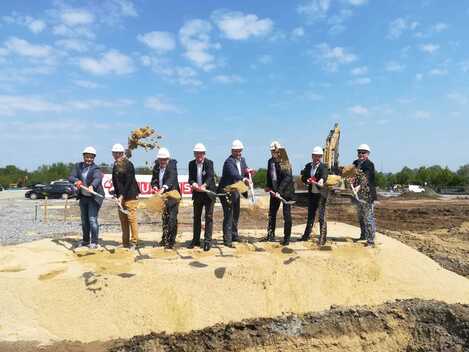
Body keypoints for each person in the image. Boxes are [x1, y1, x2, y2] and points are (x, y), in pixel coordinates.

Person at [217, 139, 254, 247]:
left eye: (239, 151)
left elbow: (245, 171)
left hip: (236, 191)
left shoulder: (242, 160)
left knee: (236, 213)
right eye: (236, 151)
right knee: (228, 214)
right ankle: (227, 239)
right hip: (226, 191)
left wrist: (250, 173)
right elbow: (235, 174)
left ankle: (234, 235)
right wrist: (244, 179)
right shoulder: (228, 162)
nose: (238, 153)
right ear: (232, 151)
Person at [69, 146, 105, 249]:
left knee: (92, 219)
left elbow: (98, 178)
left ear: (94, 158)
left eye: (91, 157)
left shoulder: (96, 168)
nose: (89, 159)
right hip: (83, 197)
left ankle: (94, 242)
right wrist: (76, 181)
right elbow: (71, 177)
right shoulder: (78, 166)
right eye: (87, 157)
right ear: (83, 156)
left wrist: (92, 186)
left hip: (94, 198)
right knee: (84, 220)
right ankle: (85, 240)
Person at [264, 141, 295, 245]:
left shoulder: (284, 160)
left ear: (279, 150)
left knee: (287, 215)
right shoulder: (270, 161)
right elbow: (269, 175)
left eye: (275, 151)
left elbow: (288, 177)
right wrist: (268, 186)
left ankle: (286, 239)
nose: (273, 153)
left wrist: (279, 191)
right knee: (272, 214)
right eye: (272, 151)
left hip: (286, 192)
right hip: (274, 192)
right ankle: (270, 235)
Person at [111, 143, 140, 250]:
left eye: (119, 153)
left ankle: (134, 242)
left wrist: (122, 196)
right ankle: (125, 242)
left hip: (130, 196)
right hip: (121, 197)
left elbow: (128, 182)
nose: (117, 155)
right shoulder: (115, 165)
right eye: (115, 153)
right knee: (123, 220)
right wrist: (115, 193)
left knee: (131, 219)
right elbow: (117, 182)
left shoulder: (128, 164)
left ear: (123, 153)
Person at [188, 143, 216, 251]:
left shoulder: (209, 163)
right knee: (196, 217)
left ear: (204, 154)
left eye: (201, 153)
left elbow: (210, 177)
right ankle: (195, 240)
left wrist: (203, 186)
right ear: (194, 154)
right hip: (197, 193)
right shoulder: (191, 164)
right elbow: (190, 178)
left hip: (208, 193)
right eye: (197, 153)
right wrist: (194, 184)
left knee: (208, 217)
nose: (199, 155)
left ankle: (207, 241)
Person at [150, 148, 180, 249]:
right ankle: (165, 238)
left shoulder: (172, 167)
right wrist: (154, 187)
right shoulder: (156, 167)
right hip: (162, 197)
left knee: (172, 218)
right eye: (161, 159)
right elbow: (154, 180)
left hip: (173, 196)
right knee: (165, 218)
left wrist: (162, 189)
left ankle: (171, 241)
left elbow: (171, 179)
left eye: (164, 159)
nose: (162, 161)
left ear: (168, 159)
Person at [300, 146, 329, 246]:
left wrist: (321, 180)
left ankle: (322, 238)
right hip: (312, 194)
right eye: (315, 156)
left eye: (319, 156)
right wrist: (307, 180)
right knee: (310, 216)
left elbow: (324, 175)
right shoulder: (308, 166)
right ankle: (306, 236)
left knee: (321, 217)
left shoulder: (323, 167)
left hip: (321, 195)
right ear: (312, 156)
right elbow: (303, 177)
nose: (317, 158)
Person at [352, 143, 377, 246]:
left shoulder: (369, 164)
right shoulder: (355, 163)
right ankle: (363, 235)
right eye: (359, 152)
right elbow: (351, 174)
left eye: (363, 152)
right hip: (357, 195)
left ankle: (370, 240)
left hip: (367, 195)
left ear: (368, 154)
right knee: (360, 216)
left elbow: (366, 177)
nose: (361, 154)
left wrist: (359, 186)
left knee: (368, 217)